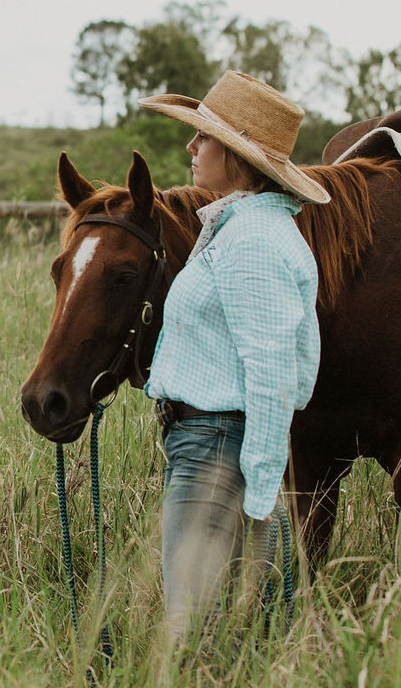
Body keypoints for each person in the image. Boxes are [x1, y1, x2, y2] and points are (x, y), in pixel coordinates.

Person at [136, 71, 329, 644]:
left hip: (218, 448)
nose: (192, 148)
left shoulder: (252, 242)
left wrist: (262, 489)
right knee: (236, 628)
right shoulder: (243, 228)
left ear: (238, 157)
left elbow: (272, 372)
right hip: (217, 444)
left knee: (192, 632)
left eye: (205, 138)